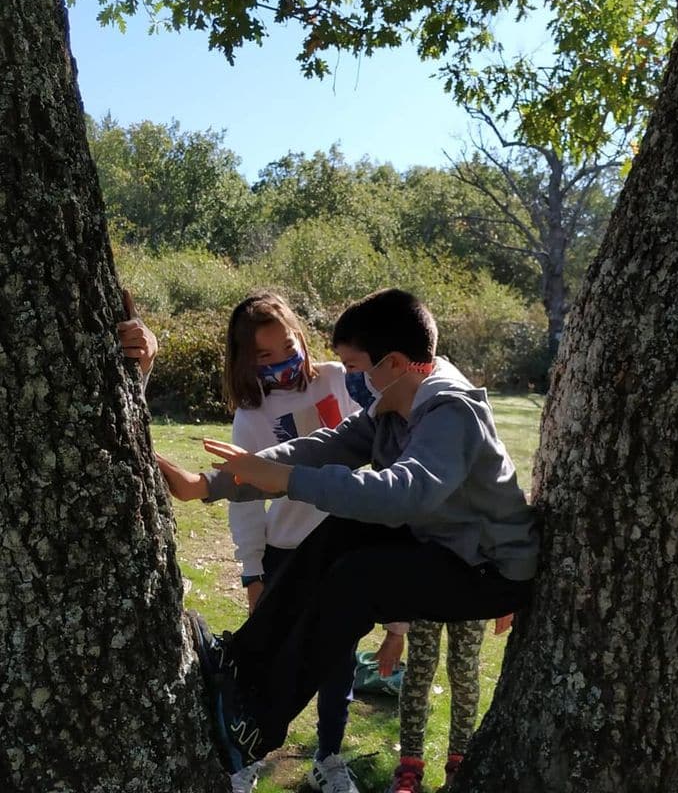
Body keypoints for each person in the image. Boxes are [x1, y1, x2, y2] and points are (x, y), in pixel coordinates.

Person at [156, 288, 540, 778]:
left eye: (356, 368)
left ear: (395, 362)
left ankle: (257, 725)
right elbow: (324, 447)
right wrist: (207, 485)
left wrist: (291, 483)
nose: (349, 380)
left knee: (359, 580)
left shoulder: (451, 412)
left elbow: (405, 493)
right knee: (341, 532)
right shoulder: (395, 397)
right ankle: (239, 663)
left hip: (489, 570)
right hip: (446, 544)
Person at [222, 290, 404, 793]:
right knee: (270, 655)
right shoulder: (251, 416)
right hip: (286, 552)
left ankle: (329, 757)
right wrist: (252, 572)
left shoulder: (335, 377)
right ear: (245, 358)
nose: (283, 360)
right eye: (264, 354)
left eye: (287, 345)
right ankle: (248, 750)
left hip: (343, 541)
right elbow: (244, 498)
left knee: (337, 659)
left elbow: (375, 437)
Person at [385, 614, 512, 793]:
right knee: (419, 671)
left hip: (473, 595)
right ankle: (409, 770)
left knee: (464, 673)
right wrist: (394, 630)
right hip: (426, 594)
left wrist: (504, 602)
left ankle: (457, 767)